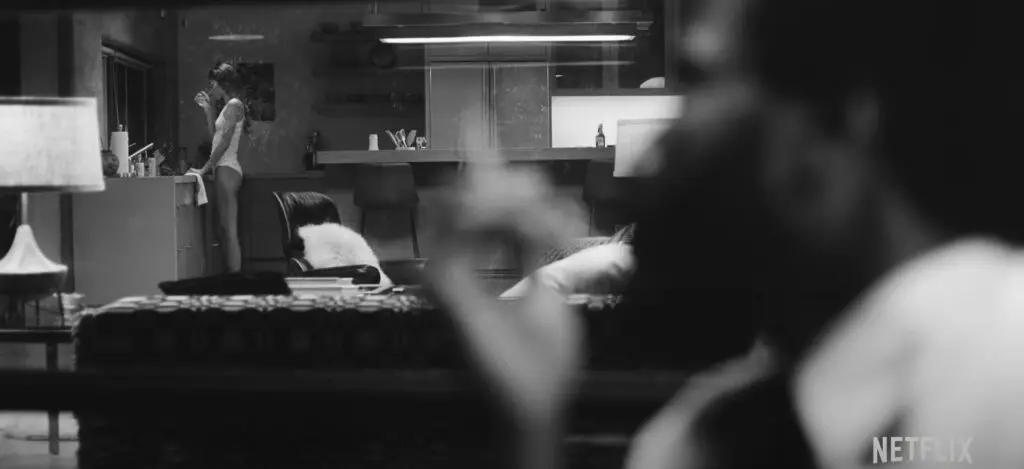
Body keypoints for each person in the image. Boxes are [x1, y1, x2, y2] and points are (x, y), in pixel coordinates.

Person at [429, 0, 1024, 467]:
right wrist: (533, 424)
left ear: (839, 123)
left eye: (705, 83)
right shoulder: (707, 435)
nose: (665, 145)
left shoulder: (1003, 365)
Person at [193, 62, 249, 273]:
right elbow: (215, 137)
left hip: (228, 168)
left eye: (213, 83)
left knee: (230, 230)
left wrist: (204, 169)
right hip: (223, 168)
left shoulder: (235, 105)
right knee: (224, 229)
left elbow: (224, 143)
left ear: (223, 83)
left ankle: (235, 282)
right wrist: (207, 109)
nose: (211, 88)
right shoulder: (227, 106)